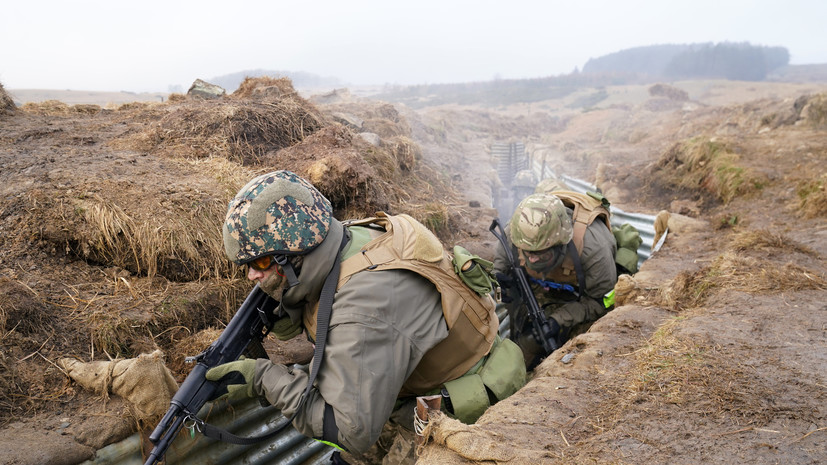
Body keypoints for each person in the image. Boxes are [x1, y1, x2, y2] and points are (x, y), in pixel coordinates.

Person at [204, 170, 525, 464]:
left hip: (460, 403)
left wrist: (263, 379)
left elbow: (351, 432)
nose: (249, 276)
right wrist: (288, 306)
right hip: (421, 382)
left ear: (292, 255)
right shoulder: (342, 238)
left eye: (259, 263)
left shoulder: (364, 306)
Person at [493, 193, 618, 369]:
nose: (533, 260)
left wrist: (558, 320)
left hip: (581, 302)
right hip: (538, 290)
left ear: (560, 244)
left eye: (540, 253)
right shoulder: (516, 233)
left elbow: (603, 302)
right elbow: (500, 265)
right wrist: (499, 281)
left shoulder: (593, 249)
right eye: (527, 252)